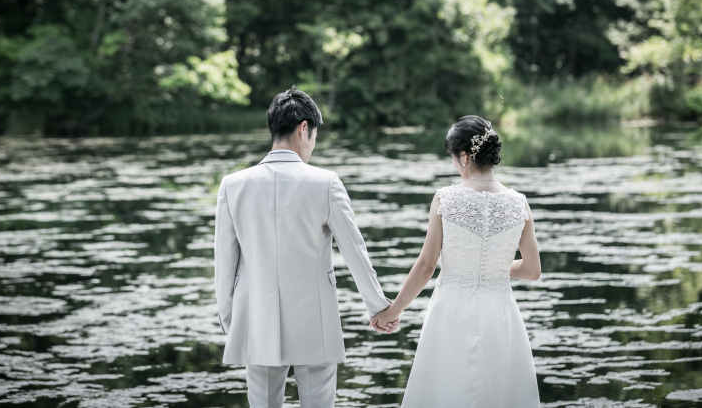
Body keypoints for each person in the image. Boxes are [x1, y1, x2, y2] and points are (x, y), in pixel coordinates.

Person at [214, 87, 399, 408]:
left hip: (256, 319)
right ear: (304, 128)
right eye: (314, 137)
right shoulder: (325, 182)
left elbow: (224, 266)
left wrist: (233, 324)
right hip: (315, 322)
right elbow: (356, 252)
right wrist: (378, 307)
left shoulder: (233, 185)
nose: (312, 146)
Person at [372, 115, 541, 408]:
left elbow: (426, 266)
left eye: (452, 157)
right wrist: (494, 268)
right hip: (501, 314)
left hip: (451, 312)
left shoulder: (446, 199)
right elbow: (532, 270)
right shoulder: (519, 203)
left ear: (463, 156)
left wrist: (392, 311)